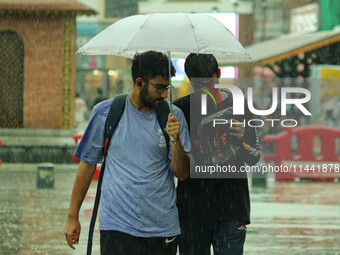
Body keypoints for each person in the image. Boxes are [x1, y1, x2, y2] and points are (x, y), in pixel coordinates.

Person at [64, 51, 191, 255]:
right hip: (117, 228)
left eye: (167, 88)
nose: (165, 95)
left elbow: (183, 173)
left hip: (162, 230)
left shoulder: (173, 118)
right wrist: (72, 216)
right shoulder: (106, 113)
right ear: (139, 83)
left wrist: (175, 140)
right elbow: (87, 165)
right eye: (159, 88)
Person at [173, 53, 260, 255]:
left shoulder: (240, 106)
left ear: (218, 74)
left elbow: (254, 157)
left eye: (210, 83)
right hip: (192, 212)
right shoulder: (180, 110)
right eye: (199, 85)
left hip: (232, 211)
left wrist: (242, 141)